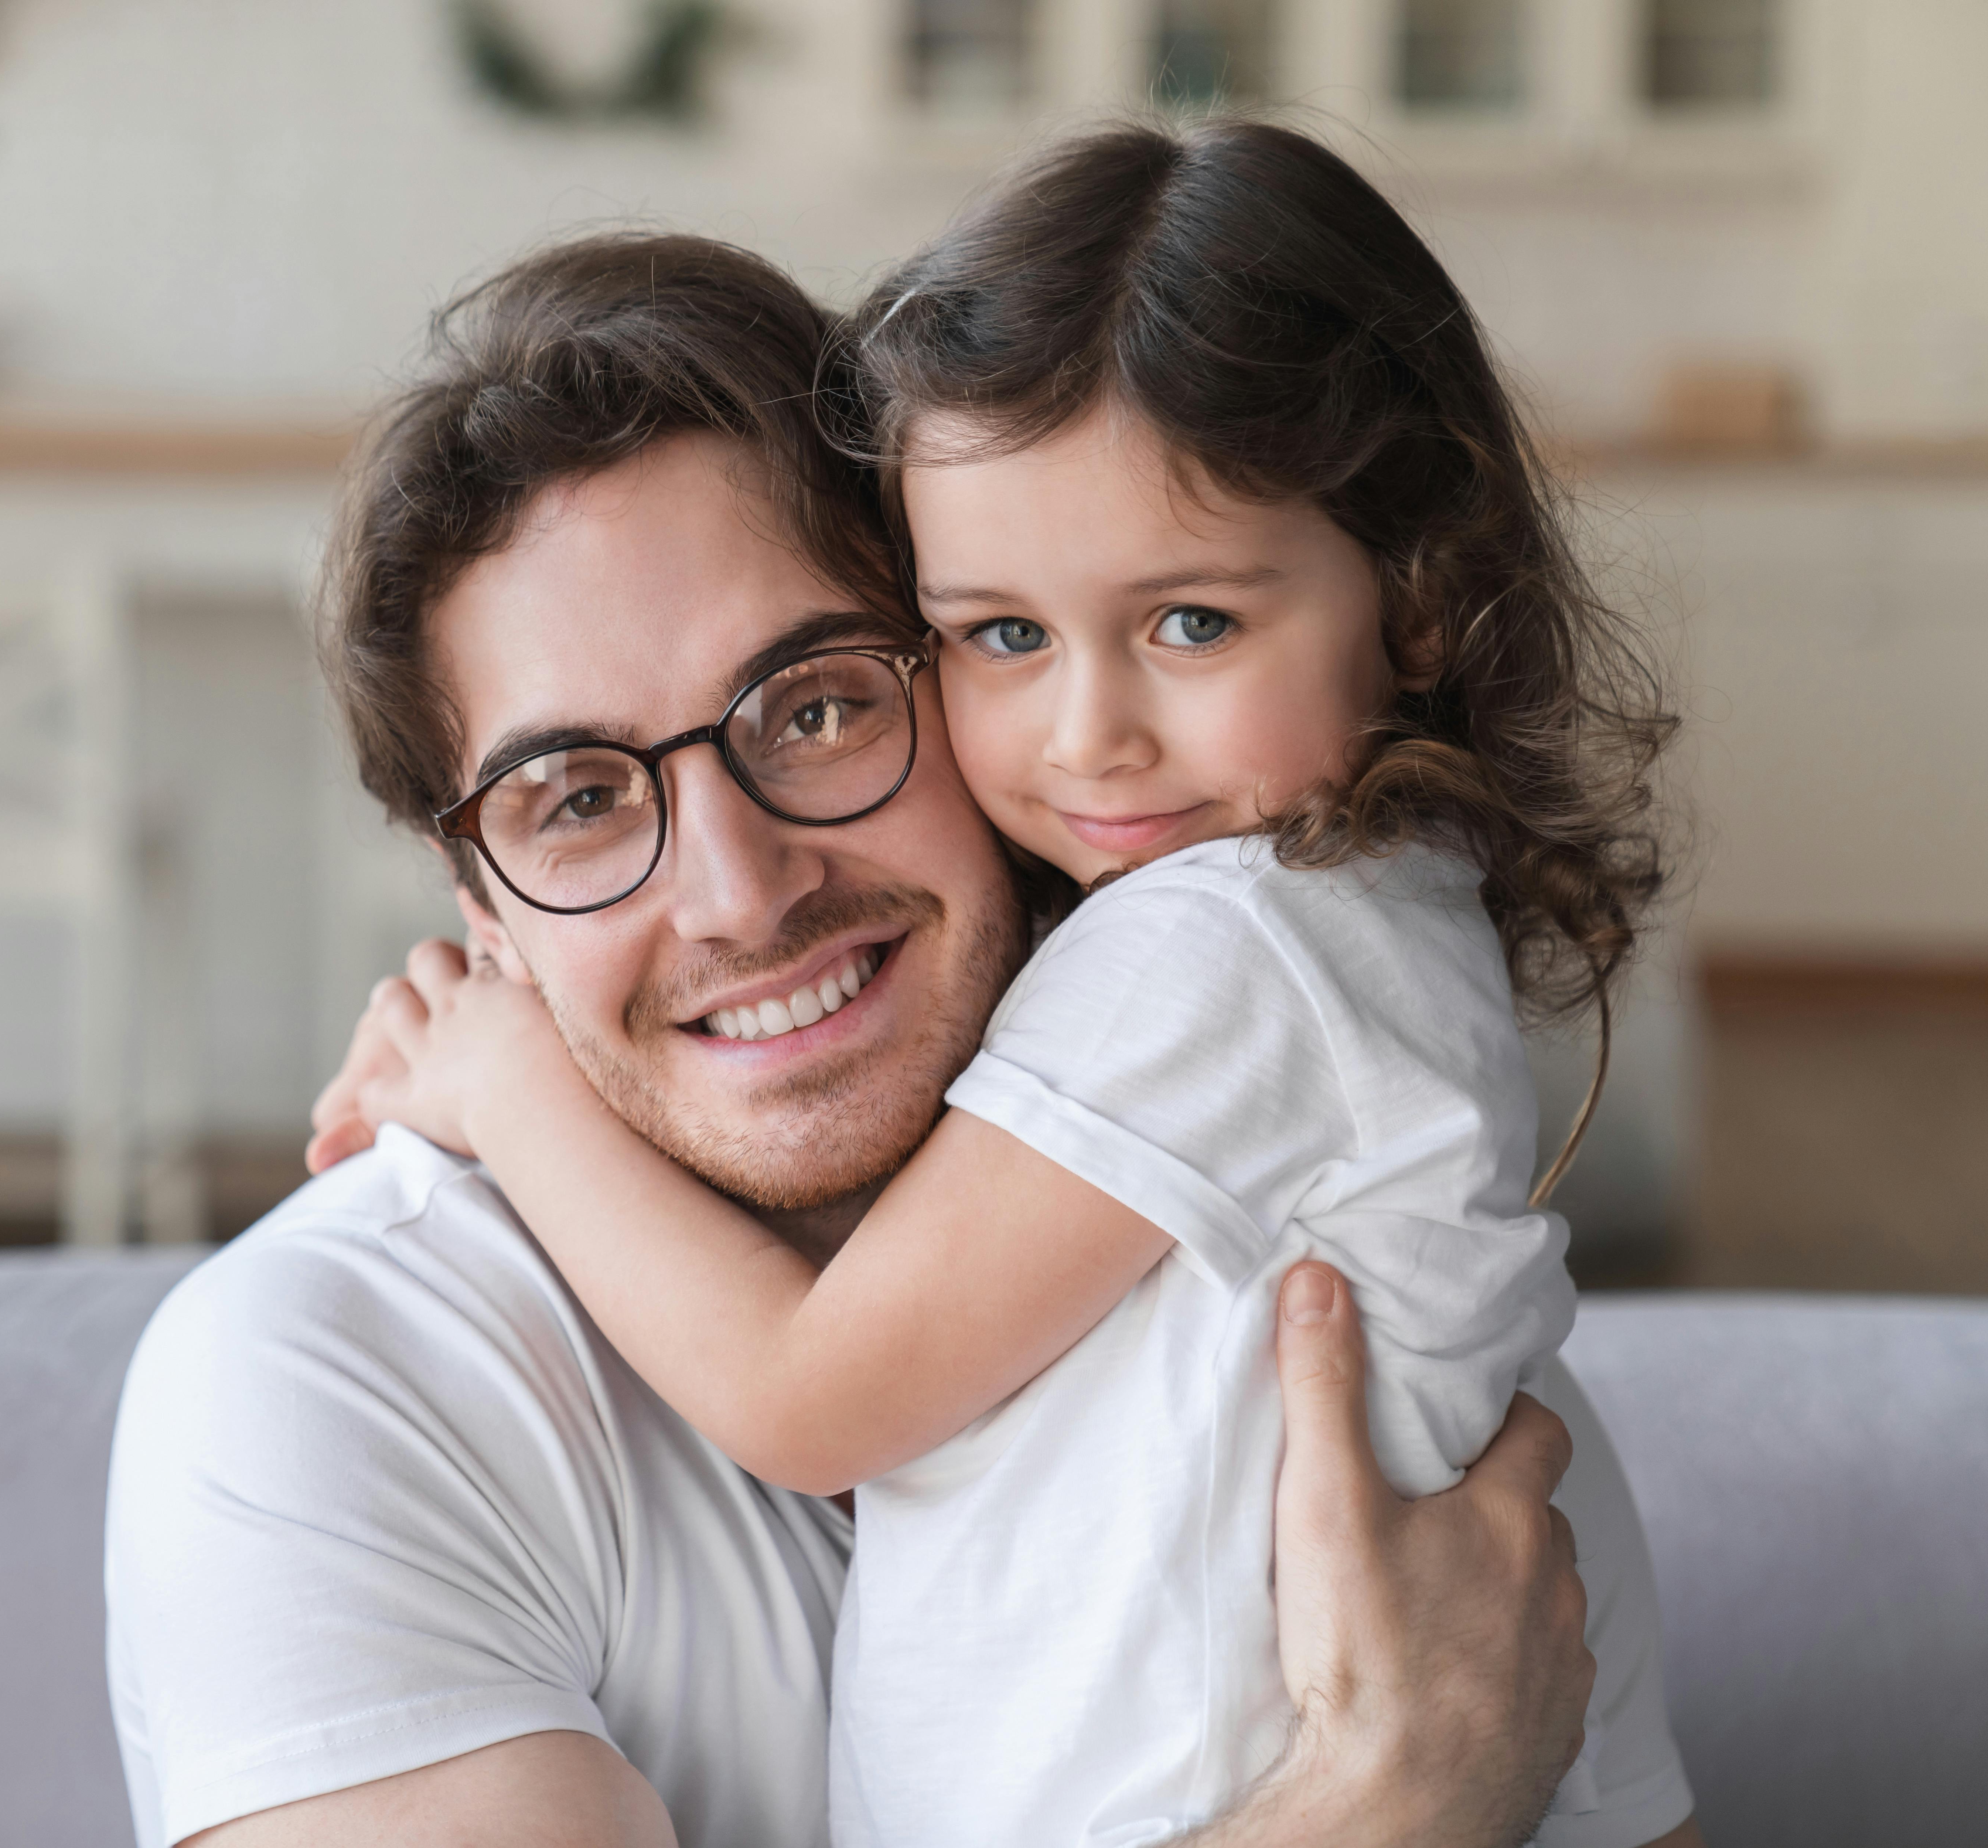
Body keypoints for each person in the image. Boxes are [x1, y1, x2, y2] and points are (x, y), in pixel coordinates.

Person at [104, 222, 1681, 1848]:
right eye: (575, 799)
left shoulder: (1369, 1328)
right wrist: (1387, 1805)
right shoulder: (341, 1384)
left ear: (954, 676)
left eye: (818, 704)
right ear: (478, 907)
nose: (735, 889)